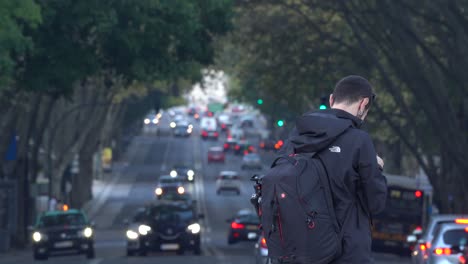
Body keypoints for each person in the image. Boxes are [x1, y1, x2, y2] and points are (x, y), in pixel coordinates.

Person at [280, 75, 387, 263]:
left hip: (298, 251)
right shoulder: (359, 141)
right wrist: (376, 167)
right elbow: (376, 202)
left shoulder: (298, 134)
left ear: (331, 100)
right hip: (345, 253)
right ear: (363, 104)